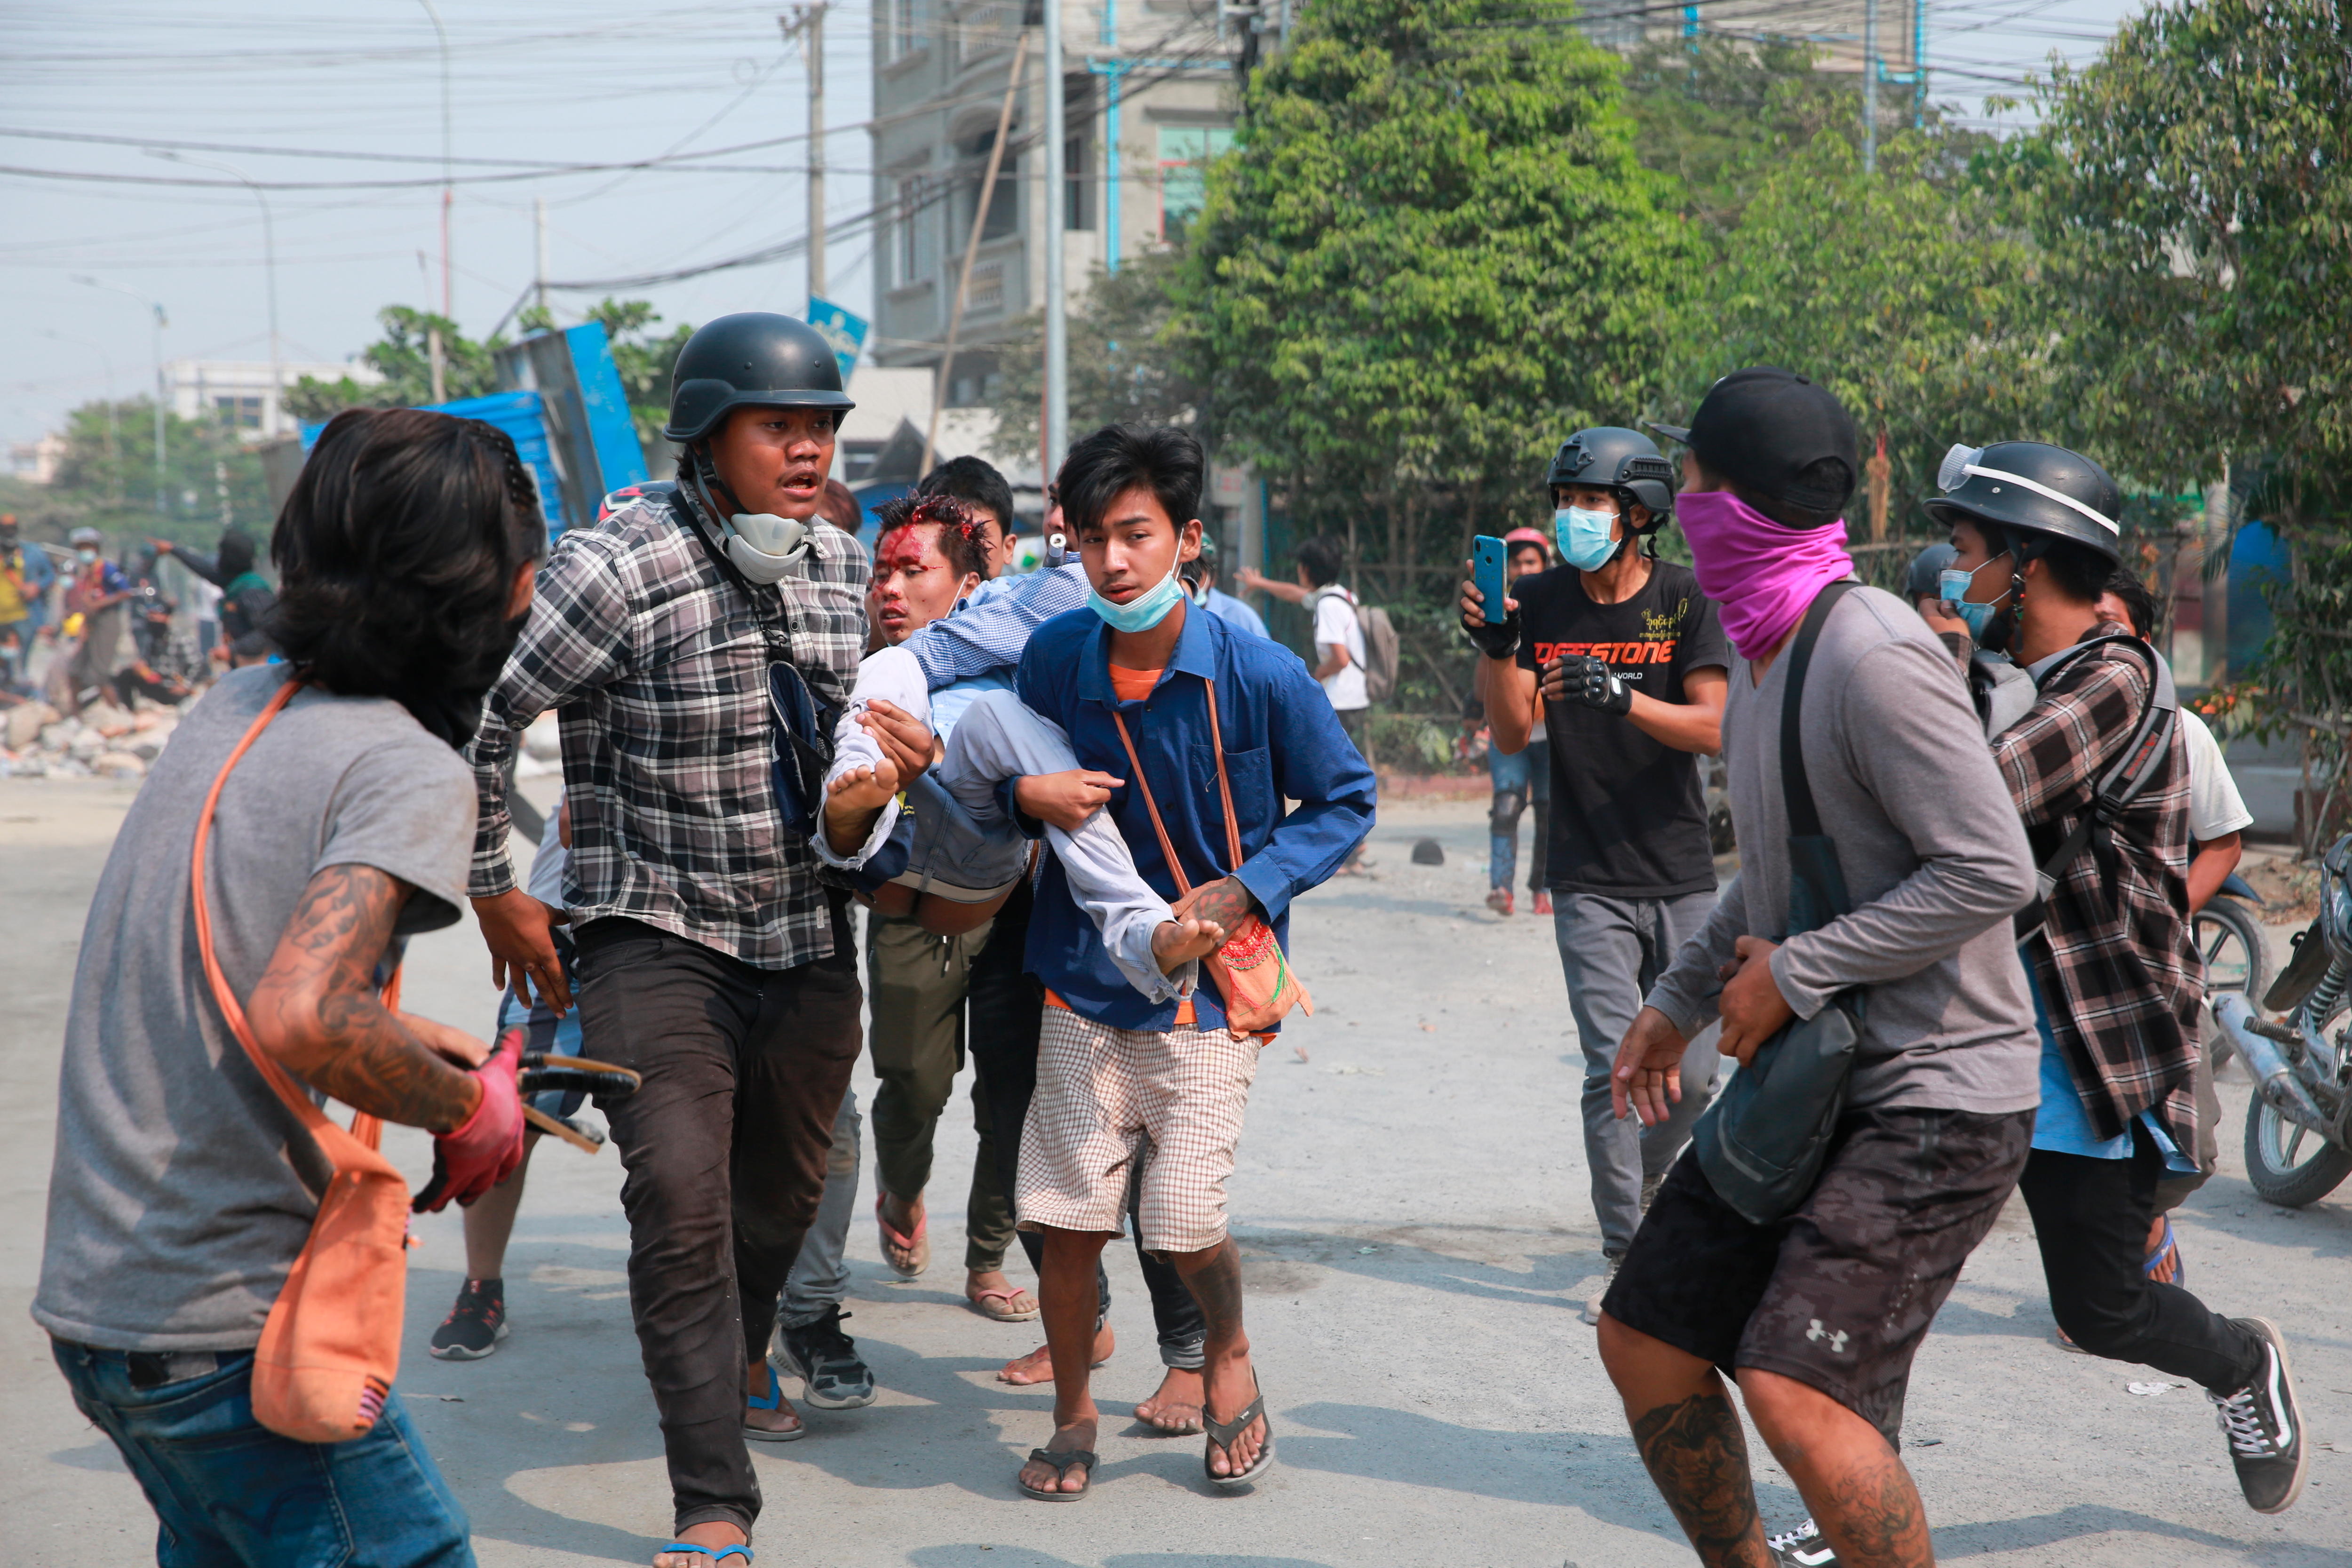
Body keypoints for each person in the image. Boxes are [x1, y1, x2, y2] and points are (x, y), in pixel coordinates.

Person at [34, 406, 540, 1568]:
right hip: (225, 1332)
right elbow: (306, 1012)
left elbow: (225, 962)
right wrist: (471, 1110)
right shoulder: (405, 766)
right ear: (503, 595)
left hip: (105, 1313)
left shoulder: (240, 703)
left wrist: (409, 1041)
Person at [1598, 368, 2045, 1568]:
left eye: (1688, 482)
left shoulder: (1871, 655)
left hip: (1937, 1093)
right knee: (1644, 1333)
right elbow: (1778, 870)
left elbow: (1991, 868)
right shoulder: (1760, 650)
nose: (1675, 504)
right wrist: (1675, 1001)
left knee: (1796, 1391)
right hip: (1816, 1078)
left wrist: (1794, 975)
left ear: (1734, 505)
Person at [464, 312, 870, 1568]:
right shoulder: (618, 567)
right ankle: (713, 1501)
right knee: (679, 1202)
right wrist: (495, 882)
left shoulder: (842, 572)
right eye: (777, 427)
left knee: (778, 1204)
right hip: (652, 931)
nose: (806, 452)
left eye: (821, 429)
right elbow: (482, 717)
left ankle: (739, 1345)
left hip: (807, 937)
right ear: (711, 436)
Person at [1005, 422, 1376, 1501]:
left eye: (1135, 535)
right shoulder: (1050, 662)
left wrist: (1250, 884)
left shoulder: (1258, 670)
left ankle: (1225, 1352)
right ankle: (1073, 1416)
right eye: (1091, 539)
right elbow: (996, 780)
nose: (1112, 561)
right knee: (1065, 1225)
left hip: (1210, 996)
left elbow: (1346, 798)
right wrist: (1018, 795)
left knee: (1181, 1221)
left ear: (1186, 539)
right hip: (1081, 977)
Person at [1937, 441, 2306, 1518]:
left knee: (2101, 1310)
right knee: (1869, 1256)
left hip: (2088, 1053)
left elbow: (1973, 793)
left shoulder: (2115, 680)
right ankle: (1839, 1493)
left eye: (1967, 555)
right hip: (1977, 1038)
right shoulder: (2020, 678)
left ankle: (2241, 1362)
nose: (1955, 580)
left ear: (2025, 559)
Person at [1462, 427, 1732, 1322]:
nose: (1572, 517)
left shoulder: (1687, 599)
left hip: (1684, 869)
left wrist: (1625, 696)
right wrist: (1501, 646)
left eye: (1590, 503)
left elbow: (1715, 727)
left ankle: (1648, 1185)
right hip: (1585, 872)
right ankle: (1628, 1253)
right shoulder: (1537, 600)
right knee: (1615, 1064)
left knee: (1689, 1076)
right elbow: (1510, 732)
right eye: (1566, 501)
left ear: (1640, 513)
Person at [845, 498, 1038, 1322]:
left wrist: (937, 761)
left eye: (912, 571)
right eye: (881, 570)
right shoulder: (858, 664)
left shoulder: (1022, 658)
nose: (890, 587)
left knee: (1011, 1094)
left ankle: (988, 1256)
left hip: (1014, 904)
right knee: (915, 1080)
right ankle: (903, 1185)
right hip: (911, 908)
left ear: (970, 584)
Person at [1481, 528, 1555, 916]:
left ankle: (1542, 890)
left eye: (1532, 562)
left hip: (1549, 734)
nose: (1525, 569)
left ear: (1546, 566)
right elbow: (1484, 680)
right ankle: (1500, 887)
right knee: (1507, 805)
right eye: (1518, 563)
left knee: (1548, 810)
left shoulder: (1563, 612)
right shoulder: (1495, 613)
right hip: (1509, 735)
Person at [159, 528, 277, 666]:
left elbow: (268, 632)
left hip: (262, 666)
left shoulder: (252, 590)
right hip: (245, 665)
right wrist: (174, 550)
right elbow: (206, 571)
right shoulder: (236, 582)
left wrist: (232, 649)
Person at [62, 527, 134, 709]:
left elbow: (125, 592)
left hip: (107, 620)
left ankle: (117, 711)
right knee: (74, 671)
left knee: (99, 673)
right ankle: (75, 714)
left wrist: (99, 604)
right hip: (90, 622)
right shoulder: (85, 572)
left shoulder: (107, 568)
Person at [918, 454, 1023, 580]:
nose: (965, 548)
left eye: (979, 535)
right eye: (949, 535)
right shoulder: (895, 594)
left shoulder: (1029, 597)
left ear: (1008, 548)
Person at [1, 512, 56, 691]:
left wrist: (36, 587)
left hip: (25, 614)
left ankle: (26, 693)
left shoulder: (32, 551)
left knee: (22, 658)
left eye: (12, 528)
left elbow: (49, 575)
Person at [1180, 533, 1270, 640]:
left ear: (1213, 579)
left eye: (1195, 574)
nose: (1187, 582)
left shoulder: (1242, 619)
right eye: (1181, 572)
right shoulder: (1159, 614)